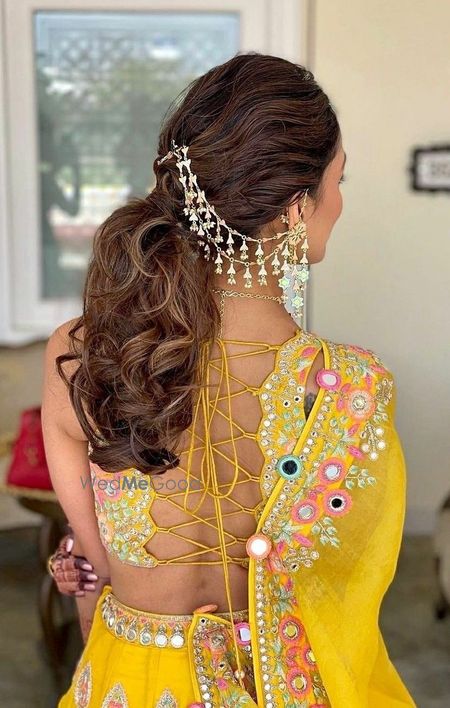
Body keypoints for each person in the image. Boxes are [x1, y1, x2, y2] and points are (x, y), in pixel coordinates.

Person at [42, 52, 416, 707]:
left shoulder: (84, 355)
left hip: (127, 683)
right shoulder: (352, 389)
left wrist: (81, 568)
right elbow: (344, 601)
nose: (340, 203)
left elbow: (94, 581)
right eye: (339, 181)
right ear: (295, 210)